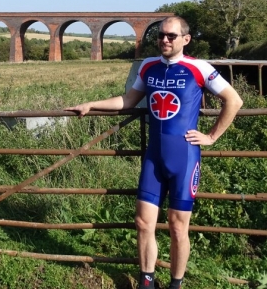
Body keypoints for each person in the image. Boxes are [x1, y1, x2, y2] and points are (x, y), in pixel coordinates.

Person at [66, 16, 242, 289]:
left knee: (177, 227)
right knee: (143, 223)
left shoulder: (199, 68)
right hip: (154, 157)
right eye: (161, 35)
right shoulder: (148, 67)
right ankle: (147, 281)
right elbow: (128, 100)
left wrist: (211, 136)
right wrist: (91, 104)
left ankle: (176, 284)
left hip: (184, 157)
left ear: (185, 39)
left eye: (171, 36)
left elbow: (234, 99)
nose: (165, 40)